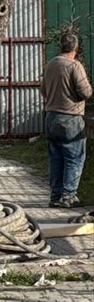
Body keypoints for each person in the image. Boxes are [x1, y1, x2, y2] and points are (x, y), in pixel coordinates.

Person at [42, 33, 91, 208]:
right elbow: (85, 92)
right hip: (70, 118)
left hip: (50, 117)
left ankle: (55, 196)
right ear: (76, 49)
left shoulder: (50, 65)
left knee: (56, 158)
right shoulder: (74, 66)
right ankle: (68, 196)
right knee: (74, 157)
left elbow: (43, 90)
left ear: (60, 46)